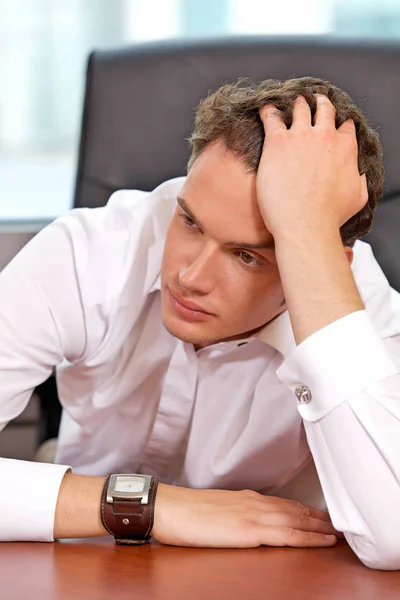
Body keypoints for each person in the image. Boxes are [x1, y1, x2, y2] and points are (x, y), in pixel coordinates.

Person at [0, 76, 399, 570]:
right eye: (190, 221)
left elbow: (395, 535)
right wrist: (155, 505)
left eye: (247, 256)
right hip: (88, 551)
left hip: (269, 573)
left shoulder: (369, 316)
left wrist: (306, 243)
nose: (190, 277)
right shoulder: (91, 251)